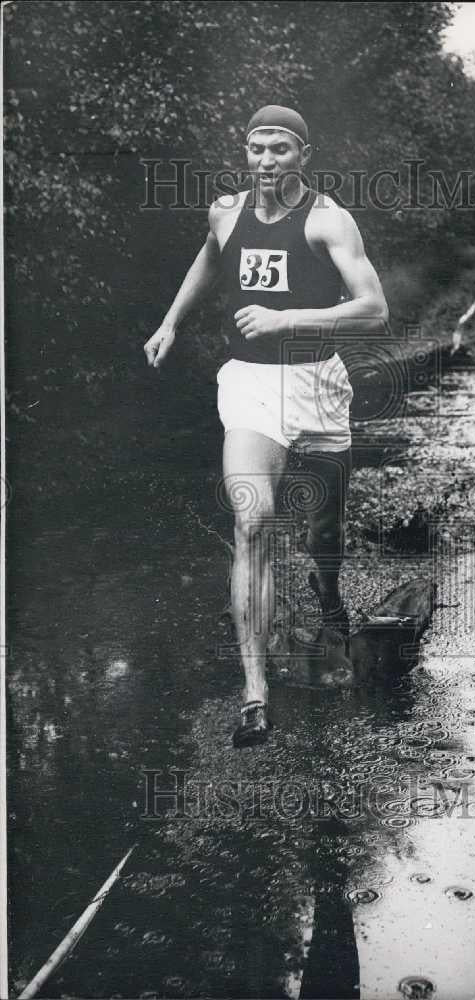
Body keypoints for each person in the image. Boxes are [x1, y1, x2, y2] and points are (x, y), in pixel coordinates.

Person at [143, 105, 388, 746]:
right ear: (245, 154)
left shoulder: (329, 220)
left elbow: (374, 310)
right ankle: (255, 691)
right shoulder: (226, 211)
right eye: (256, 149)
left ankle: (326, 590)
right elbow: (208, 256)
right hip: (252, 383)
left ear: (303, 155)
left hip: (318, 383)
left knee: (323, 531)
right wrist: (172, 322)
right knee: (252, 519)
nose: (266, 161)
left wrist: (289, 320)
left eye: (280, 150)